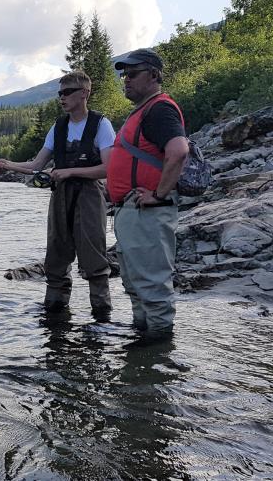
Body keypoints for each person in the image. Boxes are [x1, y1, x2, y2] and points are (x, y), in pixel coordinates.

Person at [0, 70, 116, 320]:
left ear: (84, 94)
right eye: (60, 93)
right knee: (56, 255)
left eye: (67, 92)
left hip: (90, 195)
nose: (62, 97)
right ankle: (55, 315)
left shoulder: (101, 124)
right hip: (60, 197)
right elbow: (37, 164)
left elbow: (108, 168)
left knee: (94, 258)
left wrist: (68, 172)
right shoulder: (57, 127)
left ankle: (102, 318)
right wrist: (8, 164)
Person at [107, 48, 189, 342]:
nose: (126, 80)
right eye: (124, 75)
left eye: (132, 74)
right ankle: (142, 346)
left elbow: (179, 151)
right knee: (136, 285)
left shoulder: (160, 108)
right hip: (132, 212)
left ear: (153, 75)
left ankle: (156, 355)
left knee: (152, 287)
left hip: (148, 212)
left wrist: (158, 194)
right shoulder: (143, 110)